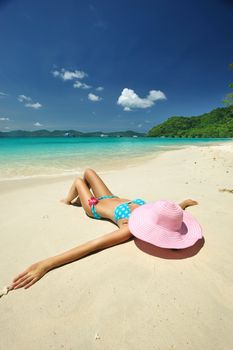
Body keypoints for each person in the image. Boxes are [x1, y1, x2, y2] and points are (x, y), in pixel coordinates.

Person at [11, 168, 201, 290]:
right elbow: (169, 214)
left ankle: (69, 201)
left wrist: (47, 264)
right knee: (88, 172)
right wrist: (182, 205)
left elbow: (94, 245)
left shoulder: (130, 227)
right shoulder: (154, 212)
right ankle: (75, 198)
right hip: (110, 196)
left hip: (94, 206)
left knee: (79, 180)